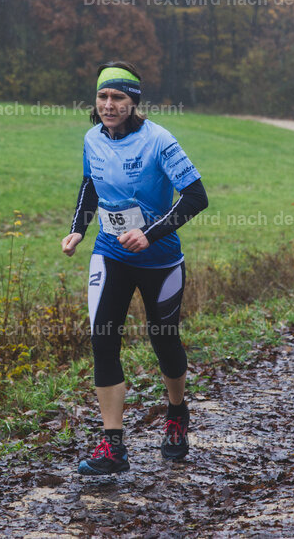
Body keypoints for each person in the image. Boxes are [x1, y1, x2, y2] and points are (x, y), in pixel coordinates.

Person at [62, 60, 208, 474]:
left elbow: (196, 197)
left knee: (163, 339)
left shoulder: (159, 141)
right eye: (103, 96)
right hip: (110, 254)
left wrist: (151, 233)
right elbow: (90, 185)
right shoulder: (92, 138)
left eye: (118, 98)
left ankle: (177, 413)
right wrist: (77, 230)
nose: (109, 105)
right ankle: (113, 445)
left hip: (160, 259)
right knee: (102, 339)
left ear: (134, 102)